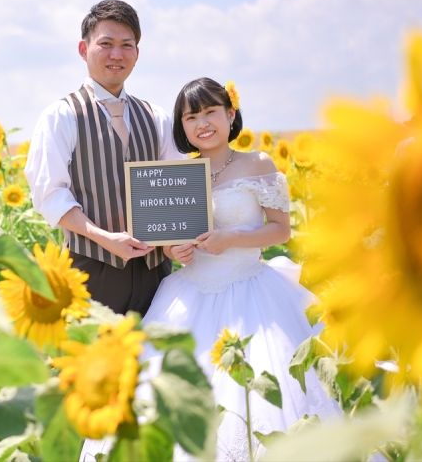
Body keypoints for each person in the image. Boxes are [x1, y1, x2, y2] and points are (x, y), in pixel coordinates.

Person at [81, 78, 338, 461]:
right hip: (189, 291)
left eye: (210, 112)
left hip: (252, 291)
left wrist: (229, 238)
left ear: (230, 115)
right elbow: (165, 235)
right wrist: (174, 248)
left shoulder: (257, 163)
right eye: (191, 116)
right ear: (181, 126)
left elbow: (281, 229)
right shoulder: (177, 172)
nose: (202, 123)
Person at [25, 0, 182, 316]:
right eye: (106, 44)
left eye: (127, 45)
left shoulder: (157, 117)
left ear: (137, 54)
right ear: (84, 49)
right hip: (90, 271)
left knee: (155, 362)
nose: (117, 55)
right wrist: (104, 238)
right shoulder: (62, 116)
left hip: (157, 274)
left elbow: (177, 188)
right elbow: (50, 195)